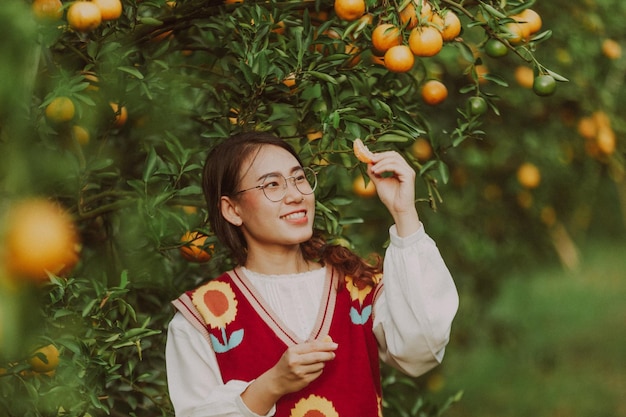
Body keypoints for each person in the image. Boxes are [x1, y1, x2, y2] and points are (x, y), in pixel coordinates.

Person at [166, 131, 459, 417]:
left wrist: (404, 212)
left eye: (299, 178)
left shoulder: (358, 289)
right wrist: (272, 385)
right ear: (232, 209)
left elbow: (422, 350)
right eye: (272, 185)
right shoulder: (201, 316)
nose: (295, 195)